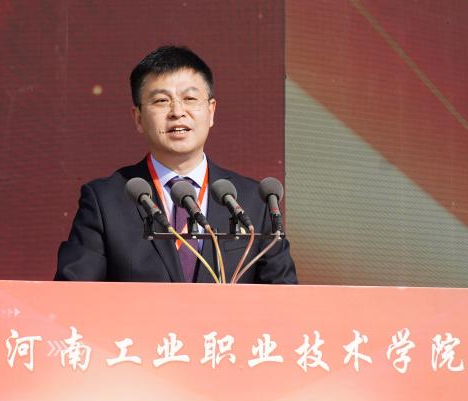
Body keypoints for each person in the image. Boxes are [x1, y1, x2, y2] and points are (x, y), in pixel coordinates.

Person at [55, 45, 297, 284]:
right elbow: (72, 294)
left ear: (211, 111)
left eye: (190, 99)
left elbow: (285, 297)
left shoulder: (252, 201)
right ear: (138, 118)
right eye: (161, 101)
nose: (177, 112)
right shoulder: (106, 201)